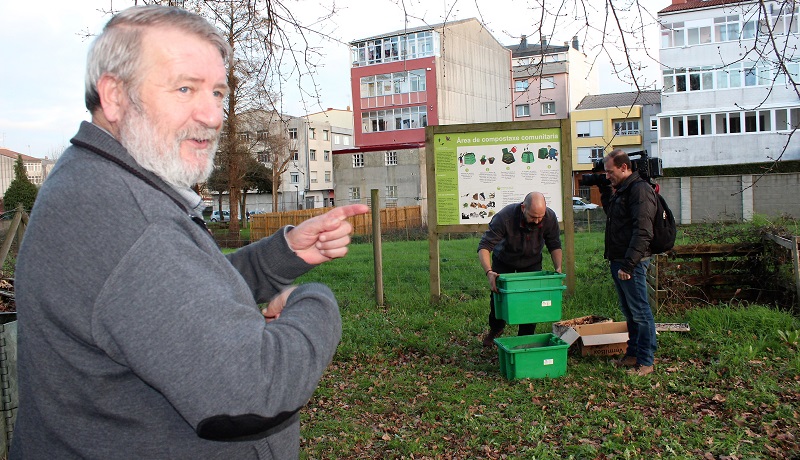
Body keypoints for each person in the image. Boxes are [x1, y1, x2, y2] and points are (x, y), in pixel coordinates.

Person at [10, 5, 368, 458]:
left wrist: (281, 255)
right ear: (115, 96)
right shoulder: (127, 217)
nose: (213, 115)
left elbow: (173, 297)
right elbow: (255, 394)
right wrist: (311, 300)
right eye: (185, 88)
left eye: (218, 92)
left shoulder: (95, 178)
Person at [477, 192, 562, 347]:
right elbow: (484, 247)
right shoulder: (505, 217)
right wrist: (489, 272)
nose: (537, 221)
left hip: (532, 261)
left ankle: (525, 335)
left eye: (540, 217)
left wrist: (558, 268)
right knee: (498, 296)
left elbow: (554, 244)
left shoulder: (549, 217)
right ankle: (496, 328)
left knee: (532, 298)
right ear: (523, 208)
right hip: (504, 259)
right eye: (533, 217)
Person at [600, 149, 658, 376]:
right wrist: (606, 192)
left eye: (610, 171)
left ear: (624, 167)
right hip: (620, 260)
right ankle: (633, 353)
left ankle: (645, 361)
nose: (607, 176)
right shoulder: (623, 190)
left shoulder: (640, 190)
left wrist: (629, 264)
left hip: (631, 262)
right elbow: (614, 217)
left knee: (641, 311)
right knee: (630, 311)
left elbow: (643, 231)